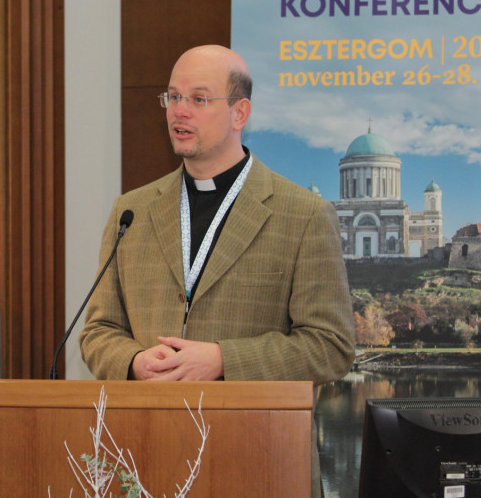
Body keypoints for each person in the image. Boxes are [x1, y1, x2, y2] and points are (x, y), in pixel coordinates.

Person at [79, 44, 355, 384]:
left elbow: (330, 346)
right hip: (148, 416)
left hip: (246, 418)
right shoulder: (131, 211)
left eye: (199, 99)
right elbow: (99, 330)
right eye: (174, 97)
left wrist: (224, 360)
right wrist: (134, 361)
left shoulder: (304, 215)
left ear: (239, 113)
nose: (180, 111)